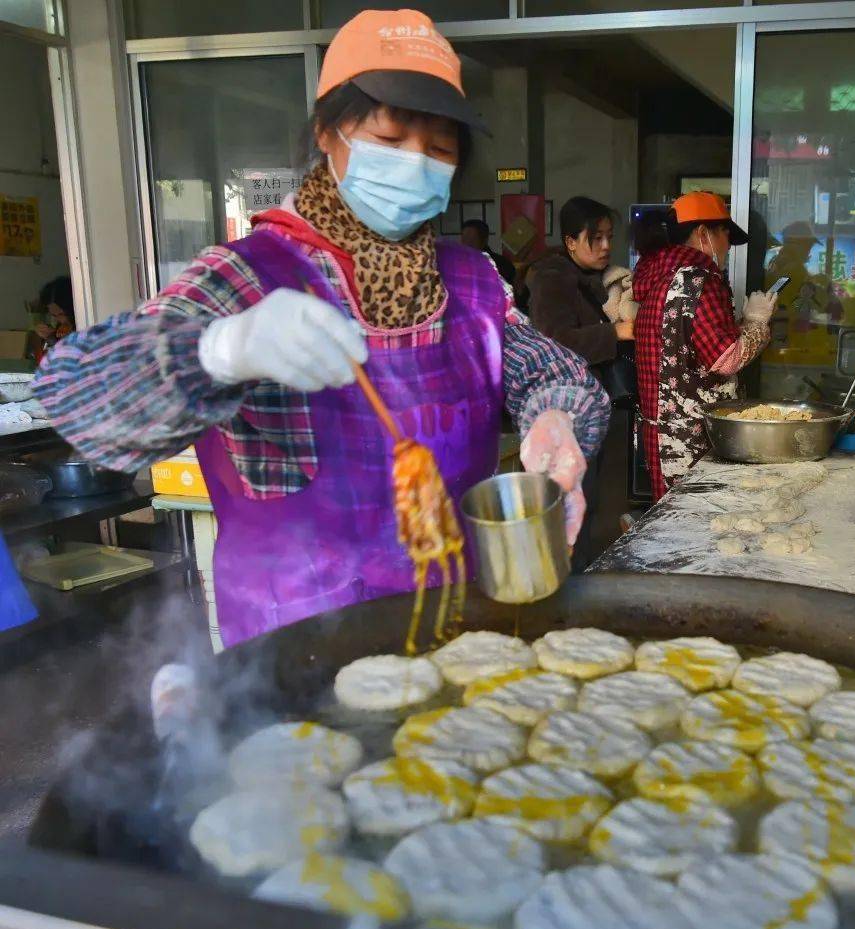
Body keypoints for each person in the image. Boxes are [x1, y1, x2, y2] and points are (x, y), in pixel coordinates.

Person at [34, 9, 609, 649]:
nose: (415, 163)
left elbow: (551, 371)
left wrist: (555, 418)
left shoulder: (470, 280)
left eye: (440, 149)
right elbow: (82, 400)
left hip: (463, 631)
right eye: (390, 142)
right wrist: (221, 349)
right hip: (297, 652)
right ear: (327, 132)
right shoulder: (246, 278)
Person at [632, 192, 777, 500]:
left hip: (661, 435)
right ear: (702, 234)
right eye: (725, 233)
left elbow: (684, 349)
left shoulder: (657, 278)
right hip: (695, 437)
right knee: (701, 525)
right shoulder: (700, 280)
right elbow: (725, 358)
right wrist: (757, 322)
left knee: (671, 523)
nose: (727, 246)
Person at [526, 196, 635, 386]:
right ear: (571, 242)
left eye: (609, 237)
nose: (606, 246)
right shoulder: (552, 279)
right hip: (571, 398)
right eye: (596, 238)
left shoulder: (605, 276)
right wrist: (614, 332)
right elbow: (555, 343)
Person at [30, 276, 75, 365]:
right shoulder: (59, 328)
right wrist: (50, 337)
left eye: (62, 314)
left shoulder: (85, 322)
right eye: (54, 315)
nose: (60, 320)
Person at [459, 218, 515, 286]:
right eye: (464, 239)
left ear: (484, 240)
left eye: (471, 240)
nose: (466, 244)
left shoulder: (500, 264)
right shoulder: (457, 263)